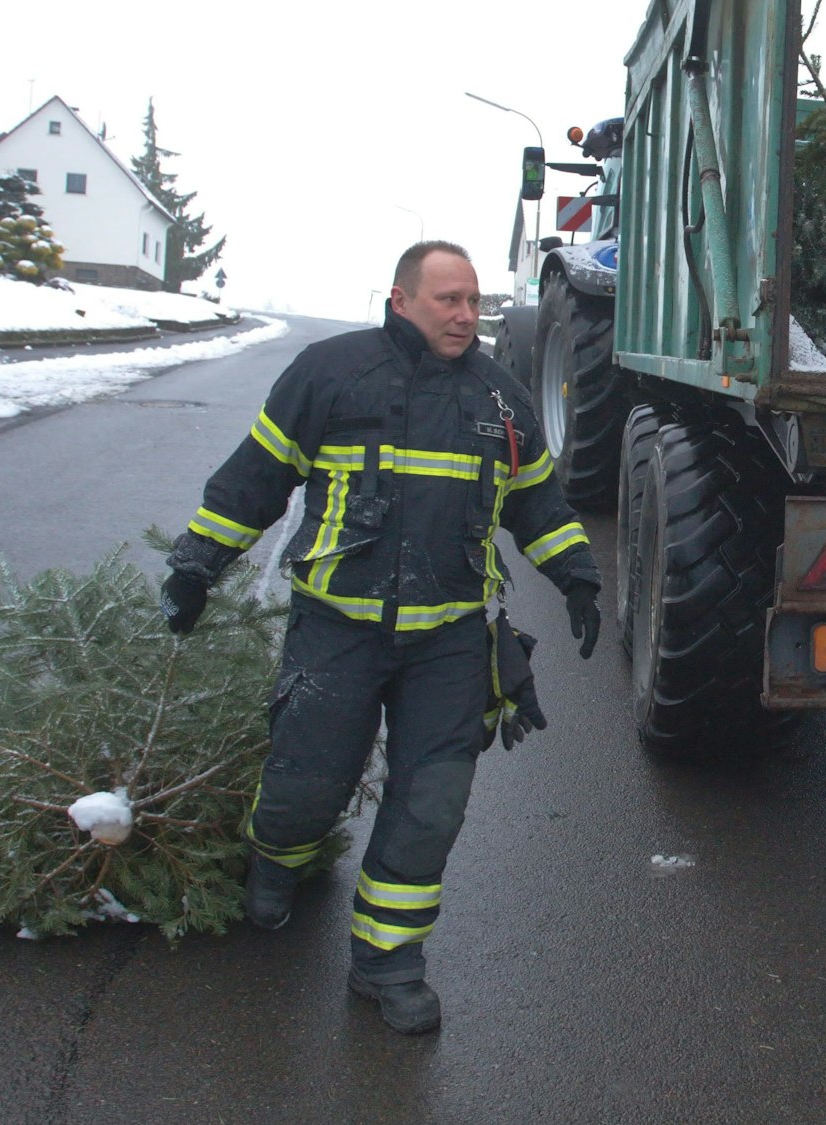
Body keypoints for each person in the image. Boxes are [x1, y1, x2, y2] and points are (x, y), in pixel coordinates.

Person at [159, 240, 601, 1035]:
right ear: (401, 300)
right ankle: (278, 858)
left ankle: (387, 961)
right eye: (448, 300)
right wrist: (196, 564)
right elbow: (255, 476)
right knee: (306, 787)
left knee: (431, 807)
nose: (466, 314)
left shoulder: (500, 401)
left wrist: (578, 576)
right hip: (338, 631)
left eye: (472, 300)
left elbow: (537, 499)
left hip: (451, 642)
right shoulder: (330, 374)